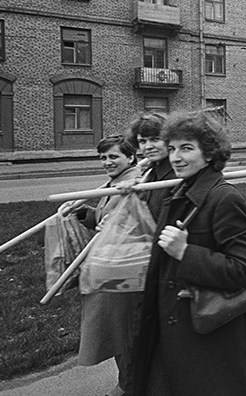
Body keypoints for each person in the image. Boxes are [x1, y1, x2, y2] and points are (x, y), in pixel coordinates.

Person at [128, 111, 246, 396]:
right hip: (172, 327)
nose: (176, 157)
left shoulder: (224, 198)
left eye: (186, 148)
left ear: (209, 154)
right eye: (171, 149)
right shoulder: (180, 191)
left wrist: (186, 252)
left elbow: (241, 270)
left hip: (208, 336)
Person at [74, 135, 155, 396]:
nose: (107, 162)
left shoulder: (134, 184)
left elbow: (137, 223)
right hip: (114, 268)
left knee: (125, 332)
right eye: (103, 157)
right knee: (118, 331)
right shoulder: (116, 183)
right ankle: (129, 382)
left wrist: (111, 225)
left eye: (113, 157)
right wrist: (85, 214)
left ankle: (128, 386)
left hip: (127, 270)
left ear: (130, 157)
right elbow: (106, 218)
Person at [126, 112, 175, 220]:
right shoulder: (150, 172)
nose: (148, 147)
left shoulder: (178, 173)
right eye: (142, 141)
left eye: (155, 139)